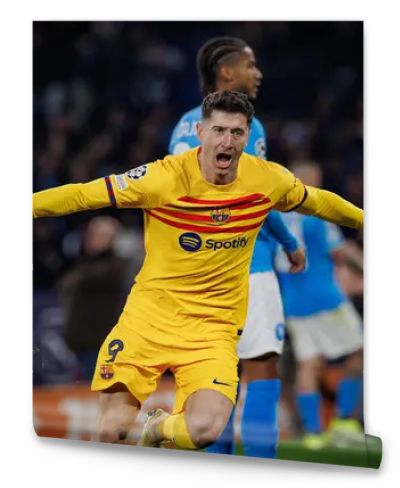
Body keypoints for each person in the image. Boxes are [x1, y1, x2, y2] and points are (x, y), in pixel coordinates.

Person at [33, 90, 363, 451]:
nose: (227, 141)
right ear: (201, 133)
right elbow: (82, 195)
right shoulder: (162, 178)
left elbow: (318, 201)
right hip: (148, 321)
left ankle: (160, 428)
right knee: (112, 433)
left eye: (237, 133)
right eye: (219, 130)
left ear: (248, 137)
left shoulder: (267, 179)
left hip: (212, 330)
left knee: (203, 430)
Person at [169, 37, 305, 458]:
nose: (258, 73)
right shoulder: (247, 126)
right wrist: (288, 242)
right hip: (250, 265)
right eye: (251, 64)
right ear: (226, 72)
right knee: (261, 369)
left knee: (215, 374)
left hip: (200, 274)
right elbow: (257, 198)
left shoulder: (185, 126)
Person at [271, 161, 364, 449]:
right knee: (359, 354)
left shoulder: (274, 215)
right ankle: (344, 422)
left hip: (294, 302)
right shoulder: (319, 212)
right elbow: (339, 252)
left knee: (308, 365)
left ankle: (312, 434)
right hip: (326, 297)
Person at [59, 216, 127, 381]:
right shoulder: (83, 263)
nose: (92, 239)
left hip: (101, 344)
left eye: (101, 235)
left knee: (97, 390)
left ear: (113, 239)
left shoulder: (114, 268)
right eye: (91, 234)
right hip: (79, 342)